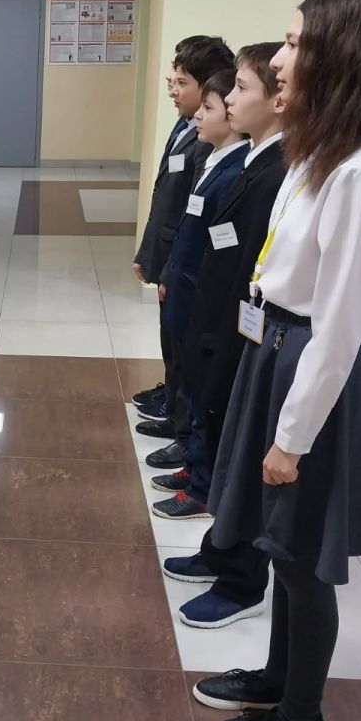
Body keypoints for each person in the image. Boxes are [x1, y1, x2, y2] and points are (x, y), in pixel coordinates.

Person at [194, 0, 361, 721]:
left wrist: (291, 438)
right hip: (279, 352)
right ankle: (274, 677)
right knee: (278, 540)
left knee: (300, 556)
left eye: (295, 43)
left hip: (311, 365)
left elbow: (341, 323)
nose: (282, 58)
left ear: (341, 54)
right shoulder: (319, 152)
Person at [159, 44, 287, 627]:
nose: (229, 99)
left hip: (249, 328)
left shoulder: (278, 170)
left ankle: (240, 576)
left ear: (278, 100)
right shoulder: (257, 160)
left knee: (244, 452)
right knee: (227, 439)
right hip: (220, 321)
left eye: (240, 88)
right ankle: (221, 549)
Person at [133, 36, 235, 474]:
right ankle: (174, 404)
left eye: (182, 83)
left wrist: (171, 268)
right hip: (170, 253)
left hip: (186, 263)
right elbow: (166, 197)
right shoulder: (184, 126)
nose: (173, 91)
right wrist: (150, 254)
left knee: (185, 348)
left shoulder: (210, 142)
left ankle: (185, 427)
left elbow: (195, 213)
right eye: (171, 82)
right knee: (172, 341)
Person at [152, 66, 249, 505]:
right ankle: (192, 458)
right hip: (184, 283)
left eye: (208, 108)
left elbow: (219, 244)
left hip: (201, 294)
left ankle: (200, 475)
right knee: (186, 372)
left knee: (202, 388)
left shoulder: (235, 172)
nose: (197, 117)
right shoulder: (211, 160)